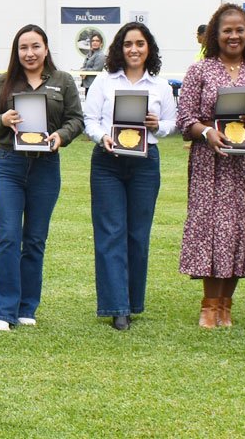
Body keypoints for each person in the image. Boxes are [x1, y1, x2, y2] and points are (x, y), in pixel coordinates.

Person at [177, 4, 245, 328]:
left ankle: (226, 305)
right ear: (215, 34)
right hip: (213, 162)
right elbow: (185, 117)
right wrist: (207, 132)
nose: (234, 35)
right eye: (227, 30)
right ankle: (209, 305)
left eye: (240, 30)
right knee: (214, 230)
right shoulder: (200, 71)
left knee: (242, 230)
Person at [0, 24, 84, 332]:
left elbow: (76, 119)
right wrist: (3, 119)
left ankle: (27, 306)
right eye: (23, 48)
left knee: (35, 240)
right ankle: (3, 310)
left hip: (45, 168)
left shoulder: (63, 81)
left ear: (46, 48)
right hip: (9, 165)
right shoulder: (4, 82)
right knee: (9, 236)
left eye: (35, 46)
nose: (30, 53)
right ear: (17, 52)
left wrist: (61, 137)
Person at [82, 22, 176, 331]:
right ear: (119, 49)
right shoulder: (104, 82)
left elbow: (170, 123)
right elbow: (90, 119)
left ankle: (133, 302)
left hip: (145, 163)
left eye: (140, 43)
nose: (133, 49)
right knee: (110, 233)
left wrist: (155, 126)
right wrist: (102, 137)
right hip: (108, 162)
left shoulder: (160, 86)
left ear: (149, 48)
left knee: (138, 235)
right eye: (127, 44)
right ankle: (116, 308)